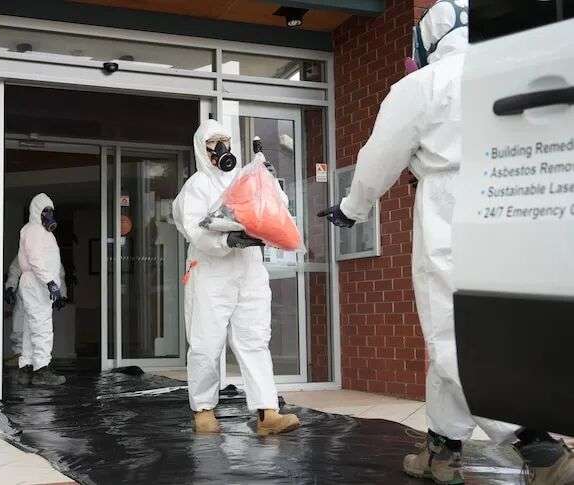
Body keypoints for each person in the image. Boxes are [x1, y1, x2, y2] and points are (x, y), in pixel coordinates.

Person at [318, 2, 573, 483]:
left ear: (427, 37)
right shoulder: (515, 72)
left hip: (453, 208)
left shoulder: (423, 85)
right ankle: (442, 447)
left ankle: (537, 444)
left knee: (452, 333)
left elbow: (379, 158)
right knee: (491, 329)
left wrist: (351, 208)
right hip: (519, 201)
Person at [172, 119, 300, 436]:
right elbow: (194, 229)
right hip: (210, 270)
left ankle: (267, 411)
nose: (220, 149)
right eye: (212, 143)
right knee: (205, 342)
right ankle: (203, 409)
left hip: (249, 268)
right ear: (202, 149)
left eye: (224, 141)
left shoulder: (248, 178)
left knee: (255, 339)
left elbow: (277, 209)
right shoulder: (196, 186)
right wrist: (226, 241)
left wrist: (269, 179)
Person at [16, 193, 66, 386]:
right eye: (45, 211)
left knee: (31, 326)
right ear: (36, 211)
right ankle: (42, 369)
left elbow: (50, 262)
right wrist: (50, 283)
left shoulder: (41, 232)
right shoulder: (34, 230)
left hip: (38, 284)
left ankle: (26, 367)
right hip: (37, 284)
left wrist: (56, 286)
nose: (48, 214)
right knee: (42, 326)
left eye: (51, 211)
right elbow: (36, 260)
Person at [4, 256, 68, 384]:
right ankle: (28, 367)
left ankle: (35, 368)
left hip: (42, 294)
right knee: (25, 326)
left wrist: (61, 294)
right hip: (30, 293)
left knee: (38, 330)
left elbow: (59, 273)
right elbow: (15, 269)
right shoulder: (29, 250)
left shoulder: (47, 251)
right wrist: (10, 286)